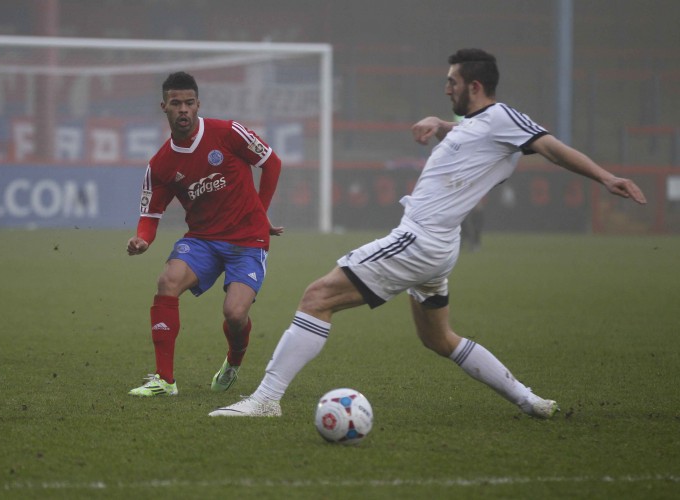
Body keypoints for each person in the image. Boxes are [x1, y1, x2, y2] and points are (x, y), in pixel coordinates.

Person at [209, 48, 646, 418]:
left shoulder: (506, 119)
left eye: (452, 81)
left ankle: (266, 399)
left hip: (419, 239)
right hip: (437, 246)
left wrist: (606, 178)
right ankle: (529, 400)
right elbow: (478, 137)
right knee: (438, 338)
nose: (446, 88)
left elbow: (551, 147)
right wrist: (442, 125)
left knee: (316, 297)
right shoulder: (482, 124)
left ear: (475, 86)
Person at [127, 71, 283, 397]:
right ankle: (164, 380)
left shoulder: (227, 132)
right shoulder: (161, 164)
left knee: (235, 314)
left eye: (188, 103)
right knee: (167, 281)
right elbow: (150, 216)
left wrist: (262, 212)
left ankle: (234, 360)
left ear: (198, 104)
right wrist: (143, 239)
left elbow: (271, 163)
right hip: (203, 240)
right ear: (164, 107)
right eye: (175, 103)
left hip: (247, 239)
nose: (182, 109)